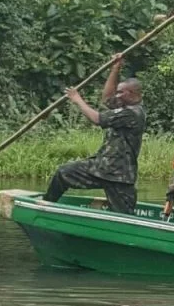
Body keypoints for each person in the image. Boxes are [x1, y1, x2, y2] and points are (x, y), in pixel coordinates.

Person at [44, 55, 145, 214]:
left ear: (132, 94)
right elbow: (107, 99)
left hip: (119, 174)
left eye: (121, 93)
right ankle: (46, 205)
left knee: (124, 215)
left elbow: (98, 119)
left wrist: (77, 99)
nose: (117, 96)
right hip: (102, 168)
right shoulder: (124, 106)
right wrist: (115, 68)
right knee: (64, 172)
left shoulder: (132, 113)